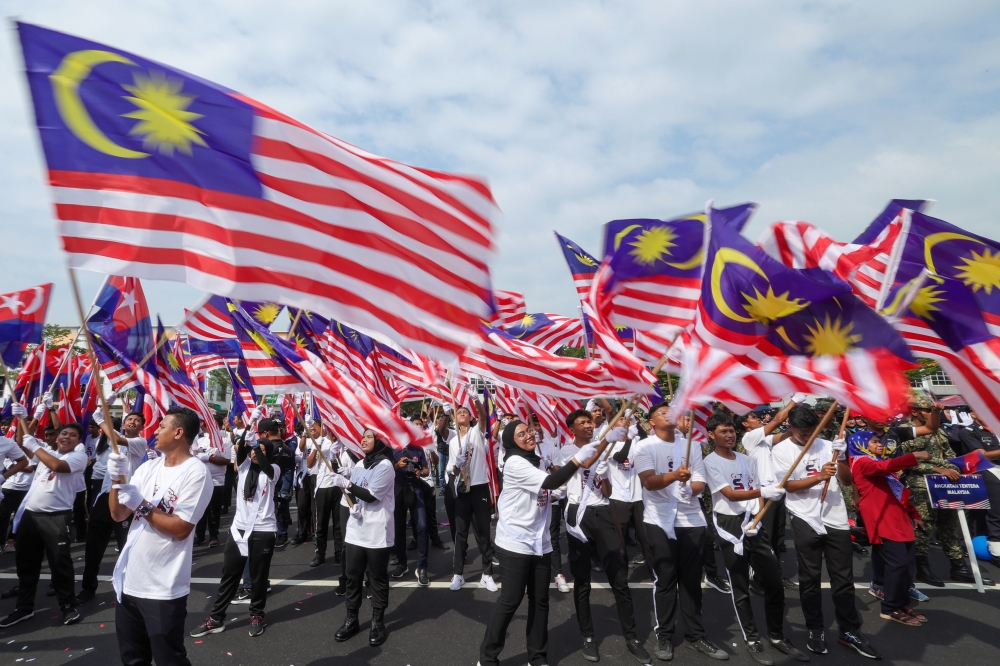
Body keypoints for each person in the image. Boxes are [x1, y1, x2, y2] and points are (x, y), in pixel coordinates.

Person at [479, 420, 600, 666]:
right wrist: (577, 460)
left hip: (540, 542)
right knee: (510, 600)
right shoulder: (514, 462)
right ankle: (488, 657)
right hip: (515, 541)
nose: (529, 435)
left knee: (540, 600)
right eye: (521, 434)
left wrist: (555, 493)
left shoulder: (537, 461)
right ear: (511, 441)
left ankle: (537, 657)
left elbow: (547, 489)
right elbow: (550, 482)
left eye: (529, 431)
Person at [772, 405, 880, 659]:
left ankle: (849, 630)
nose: (808, 438)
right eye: (803, 434)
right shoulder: (781, 450)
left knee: (843, 578)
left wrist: (840, 459)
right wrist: (819, 477)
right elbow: (788, 486)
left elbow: (846, 481)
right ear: (790, 427)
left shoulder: (829, 445)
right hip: (804, 516)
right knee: (809, 578)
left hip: (835, 518)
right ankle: (815, 628)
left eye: (813, 432)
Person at [109, 406, 213, 665]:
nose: (155, 431)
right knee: (133, 659)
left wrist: (141, 504)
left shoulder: (196, 473)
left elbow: (181, 529)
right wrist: (116, 479)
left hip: (163, 588)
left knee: (169, 659)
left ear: (179, 433)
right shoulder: (149, 467)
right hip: (130, 582)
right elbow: (118, 513)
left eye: (162, 426)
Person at [702, 411, 808, 665]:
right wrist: (764, 491)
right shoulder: (710, 462)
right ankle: (752, 639)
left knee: (773, 582)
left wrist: (759, 514)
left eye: (731, 430)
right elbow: (729, 494)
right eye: (723, 432)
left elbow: (756, 490)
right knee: (740, 586)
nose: (730, 435)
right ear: (712, 435)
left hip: (753, 522)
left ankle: (776, 636)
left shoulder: (746, 459)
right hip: (729, 524)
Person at [634, 402, 729, 661]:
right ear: (651, 422)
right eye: (662, 413)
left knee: (691, 581)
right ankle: (664, 636)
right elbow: (649, 482)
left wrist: (689, 489)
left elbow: (700, 482)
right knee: (665, 579)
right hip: (659, 519)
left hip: (691, 519)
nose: (670, 415)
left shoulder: (691, 445)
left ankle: (696, 635)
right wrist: (675, 476)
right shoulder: (644, 446)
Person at [560, 409, 650, 664]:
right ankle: (587, 636)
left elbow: (608, 491)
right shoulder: (566, 451)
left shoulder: (603, 450)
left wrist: (602, 476)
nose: (589, 425)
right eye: (582, 422)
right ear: (571, 429)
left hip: (602, 512)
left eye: (590, 421)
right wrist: (601, 452)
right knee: (582, 580)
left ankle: (631, 637)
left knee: (619, 577)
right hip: (578, 513)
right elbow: (583, 464)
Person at [191, 416, 280, 639]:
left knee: (258, 576)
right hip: (239, 529)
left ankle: (257, 614)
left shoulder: (273, 469)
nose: (255, 453)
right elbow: (240, 446)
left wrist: (256, 445)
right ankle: (216, 618)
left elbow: (266, 467)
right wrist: (249, 427)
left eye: (261, 450)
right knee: (230, 574)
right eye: (254, 450)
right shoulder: (243, 466)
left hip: (263, 530)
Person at [896, 393, 994, 586]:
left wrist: (956, 467)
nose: (931, 413)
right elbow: (904, 461)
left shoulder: (939, 432)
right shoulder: (905, 432)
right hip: (921, 486)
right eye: (927, 410)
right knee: (924, 528)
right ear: (914, 411)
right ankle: (922, 568)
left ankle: (959, 567)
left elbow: (949, 455)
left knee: (949, 527)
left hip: (946, 485)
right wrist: (938, 469)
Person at [0, 412, 87, 628]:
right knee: (26, 563)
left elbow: (57, 466)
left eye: (73, 435)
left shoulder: (78, 457)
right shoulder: (47, 453)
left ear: (78, 440)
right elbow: (22, 441)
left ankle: (67, 605)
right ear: (58, 437)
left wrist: (34, 444)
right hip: (31, 515)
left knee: (59, 564)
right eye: (64, 433)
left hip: (56, 517)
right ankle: (24, 608)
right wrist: (25, 417)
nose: (67, 437)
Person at [847, 431, 929, 627]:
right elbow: (883, 467)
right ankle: (890, 607)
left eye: (880, 441)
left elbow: (898, 493)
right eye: (874, 442)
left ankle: (902, 602)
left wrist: (914, 514)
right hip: (882, 520)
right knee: (897, 564)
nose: (880, 445)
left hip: (899, 518)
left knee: (908, 565)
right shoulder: (861, 462)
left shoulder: (876, 461)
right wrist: (913, 456)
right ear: (860, 444)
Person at [78, 409, 150, 604]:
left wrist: (100, 419)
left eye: (137, 420)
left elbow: (115, 437)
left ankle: (129, 589)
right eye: (129, 419)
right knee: (93, 546)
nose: (133, 422)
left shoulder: (139, 442)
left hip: (126, 500)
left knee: (126, 546)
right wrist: (102, 410)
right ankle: (88, 587)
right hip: (105, 496)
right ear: (124, 424)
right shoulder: (114, 438)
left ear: (142, 427)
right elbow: (111, 433)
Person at [333, 429, 396, 647]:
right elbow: (353, 494)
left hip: (377, 532)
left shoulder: (386, 466)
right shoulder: (359, 464)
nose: (363, 439)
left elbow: (371, 495)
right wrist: (351, 498)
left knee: (377, 578)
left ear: (379, 442)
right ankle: (351, 619)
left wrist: (347, 483)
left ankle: (377, 622)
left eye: (369, 436)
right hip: (356, 530)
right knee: (353, 576)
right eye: (363, 436)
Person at [739, 398, 798, 589]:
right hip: (763, 493)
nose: (759, 419)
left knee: (777, 538)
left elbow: (787, 435)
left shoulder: (764, 439)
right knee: (764, 537)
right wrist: (794, 401)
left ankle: (775, 574)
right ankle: (758, 577)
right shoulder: (750, 438)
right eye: (754, 417)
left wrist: (796, 421)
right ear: (745, 424)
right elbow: (777, 420)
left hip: (777, 492)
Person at [447, 403, 498, 592]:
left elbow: (483, 417)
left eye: (465, 412)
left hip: (479, 487)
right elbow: (453, 471)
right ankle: (458, 574)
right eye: (459, 412)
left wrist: (476, 398)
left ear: (470, 418)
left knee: (483, 532)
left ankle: (487, 574)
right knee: (461, 533)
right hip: (463, 489)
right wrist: (457, 464)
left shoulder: (476, 432)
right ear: (454, 419)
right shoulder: (453, 442)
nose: (462, 414)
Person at [944, 410, 1000, 557]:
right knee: (996, 511)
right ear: (973, 414)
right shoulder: (968, 431)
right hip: (987, 470)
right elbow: (982, 455)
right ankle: (996, 550)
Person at [607, 412, 654, 574]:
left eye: (626, 419)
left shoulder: (636, 441)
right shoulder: (609, 444)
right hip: (618, 499)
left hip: (638, 497)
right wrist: (628, 439)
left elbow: (646, 439)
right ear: (613, 426)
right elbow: (620, 457)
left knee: (646, 538)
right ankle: (621, 576)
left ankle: (655, 574)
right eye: (621, 419)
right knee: (620, 542)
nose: (625, 422)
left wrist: (635, 422)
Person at [305, 419, 344, 568]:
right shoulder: (322, 441)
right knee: (321, 523)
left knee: (338, 523)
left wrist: (335, 457)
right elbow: (310, 464)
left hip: (339, 486)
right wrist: (318, 446)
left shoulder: (343, 442)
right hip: (323, 486)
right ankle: (320, 554)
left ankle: (339, 553)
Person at [392, 435, 430, 584]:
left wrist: (420, 472)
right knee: (398, 529)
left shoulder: (418, 449)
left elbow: (426, 470)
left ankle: (422, 567)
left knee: (422, 526)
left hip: (415, 490)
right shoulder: (392, 449)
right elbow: (385, 469)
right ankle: (402, 564)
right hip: (398, 490)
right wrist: (397, 466)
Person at [192, 417, 232, 547]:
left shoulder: (224, 441)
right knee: (200, 510)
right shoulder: (200, 440)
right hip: (201, 480)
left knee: (214, 510)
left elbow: (226, 461)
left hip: (216, 481)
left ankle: (214, 535)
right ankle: (200, 536)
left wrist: (208, 458)